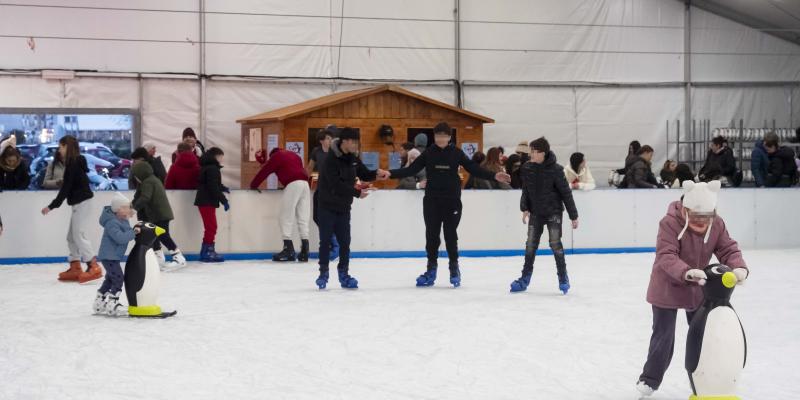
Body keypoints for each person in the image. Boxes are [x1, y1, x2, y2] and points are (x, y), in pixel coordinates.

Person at [636, 180, 749, 398]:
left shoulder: (717, 224)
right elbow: (666, 255)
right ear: (686, 210)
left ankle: (704, 380)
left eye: (706, 217)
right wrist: (686, 272)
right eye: (696, 216)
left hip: (698, 288)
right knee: (664, 336)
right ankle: (649, 380)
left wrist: (739, 268)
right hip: (666, 285)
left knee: (705, 337)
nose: (701, 222)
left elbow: (728, 249)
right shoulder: (669, 223)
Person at [385, 122, 511, 288]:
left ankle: (453, 268)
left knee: (450, 235)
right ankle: (431, 269)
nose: (441, 139)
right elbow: (411, 169)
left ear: (449, 137)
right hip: (432, 201)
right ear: (434, 137)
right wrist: (390, 173)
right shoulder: (429, 153)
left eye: (444, 135)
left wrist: (495, 176)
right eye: (438, 136)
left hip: (452, 201)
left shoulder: (456, 153)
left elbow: (473, 168)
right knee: (432, 236)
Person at [315, 127, 385, 289]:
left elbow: (364, 173)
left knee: (345, 242)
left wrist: (377, 173)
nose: (355, 145)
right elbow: (335, 185)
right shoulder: (330, 160)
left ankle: (344, 274)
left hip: (343, 207)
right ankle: (323, 273)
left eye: (356, 142)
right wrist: (356, 193)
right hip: (326, 206)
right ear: (344, 142)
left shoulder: (352, 158)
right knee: (325, 241)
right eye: (353, 142)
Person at [510, 137, 579, 294]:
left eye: (534, 152)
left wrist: (573, 215)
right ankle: (524, 279)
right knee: (530, 245)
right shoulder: (527, 168)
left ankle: (563, 277)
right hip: (536, 213)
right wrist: (525, 208)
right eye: (531, 151)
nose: (531, 154)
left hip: (553, 212)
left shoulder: (556, 169)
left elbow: (566, 193)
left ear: (543, 153)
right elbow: (526, 190)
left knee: (555, 244)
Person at [41, 135, 102, 283]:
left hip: (83, 202)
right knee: (71, 236)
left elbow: (66, 188)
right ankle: (75, 267)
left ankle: (93, 266)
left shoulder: (73, 164)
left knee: (78, 235)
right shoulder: (73, 162)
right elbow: (68, 186)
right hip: (79, 203)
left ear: (67, 146)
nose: (59, 150)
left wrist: (51, 206)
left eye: (60, 147)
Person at [250, 147, 311, 262]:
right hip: (305, 185)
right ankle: (305, 251)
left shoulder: (276, 157)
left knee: (285, 217)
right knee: (303, 218)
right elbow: (294, 170)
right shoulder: (294, 155)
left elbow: (264, 171)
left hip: (293, 185)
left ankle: (288, 249)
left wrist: (253, 185)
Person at [131, 161, 186, 271]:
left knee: (163, 235)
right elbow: (139, 196)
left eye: (136, 176)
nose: (136, 178)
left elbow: (145, 198)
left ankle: (178, 257)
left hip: (160, 214)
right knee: (154, 235)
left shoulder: (148, 182)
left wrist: (133, 208)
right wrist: (132, 205)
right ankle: (159, 258)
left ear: (141, 174)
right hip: (156, 214)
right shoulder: (149, 181)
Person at [94, 193, 136, 317]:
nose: (129, 209)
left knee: (110, 279)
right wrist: (133, 232)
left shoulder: (121, 219)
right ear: (119, 209)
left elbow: (126, 229)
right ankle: (113, 303)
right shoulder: (112, 223)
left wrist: (130, 218)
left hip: (112, 256)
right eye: (127, 207)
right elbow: (121, 238)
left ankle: (99, 302)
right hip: (109, 256)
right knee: (118, 279)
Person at [307, 126, 340, 262]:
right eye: (327, 138)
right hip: (320, 189)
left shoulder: (336, 152)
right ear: (321, 140)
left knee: (330, 217)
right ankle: (332, 241)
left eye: (331, 138)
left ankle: (335, 246)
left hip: (333, 190)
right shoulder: (316, 151)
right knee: (316, 217)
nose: (330, 140)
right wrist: (303, 180)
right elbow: (309, 168)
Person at [194, 147, 229, 263]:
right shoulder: (213, 169)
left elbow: (212, 183)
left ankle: (206, 251)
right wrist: (224, 200)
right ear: (216, 156)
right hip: (206, 201)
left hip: (205, 201)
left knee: (211, 227)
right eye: (220, 157)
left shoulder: (207, 167)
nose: (221, 160)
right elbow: (212, 187)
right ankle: (207, 251)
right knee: (211, 227)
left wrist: (222, 187)